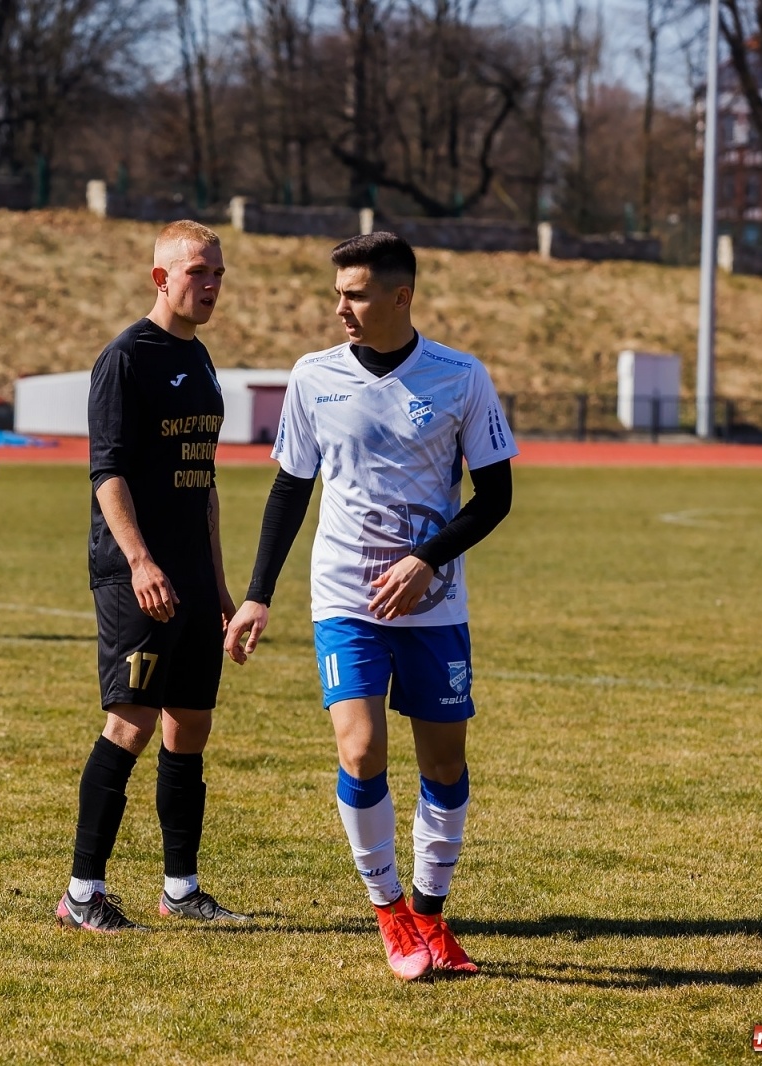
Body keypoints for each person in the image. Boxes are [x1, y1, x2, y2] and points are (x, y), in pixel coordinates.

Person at [223, 231, 517, 979]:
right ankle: (389, 914)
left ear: (400, 296)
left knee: (444, 767)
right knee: (360, 751)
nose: (340, 308)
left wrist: (428, 559)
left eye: (354, 294)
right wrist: (258, 594)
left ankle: (429, 915)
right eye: (337, 294)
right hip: (345, 599)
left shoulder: (460, 376)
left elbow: (498, 496)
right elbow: (291, 489)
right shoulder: (312, 376)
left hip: (434, 607)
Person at [55, 220, 248, 933]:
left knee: (189, 727)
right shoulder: (126, 358)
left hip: (194, 580)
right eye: (199, 271)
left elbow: (205, 487)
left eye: (219, 273)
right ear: (160, 277)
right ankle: (82, 894)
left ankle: (181, 887)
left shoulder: (199, 361)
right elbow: (107, 472)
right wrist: (140, 561)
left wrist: (220, 585)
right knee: (129, 724)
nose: (212, 284)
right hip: (135, 575)